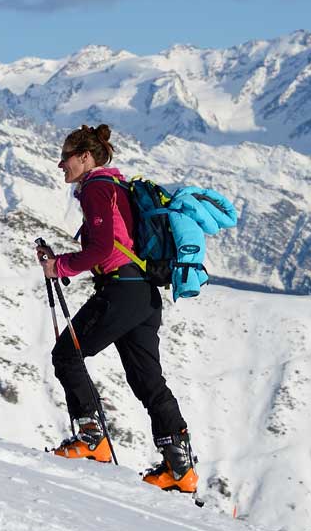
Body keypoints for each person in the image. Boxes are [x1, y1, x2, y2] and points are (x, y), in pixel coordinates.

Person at [36, 124, 196, 493]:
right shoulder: (117, 186)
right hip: (144, 294)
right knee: (147, 380)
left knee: (67, 354)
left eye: (66, 158)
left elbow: (102, 249)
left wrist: (58, 266)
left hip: (121, 289)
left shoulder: (96, 188)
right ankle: (179, 467)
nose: (61, 165)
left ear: (86, 157)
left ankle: (92, 438)